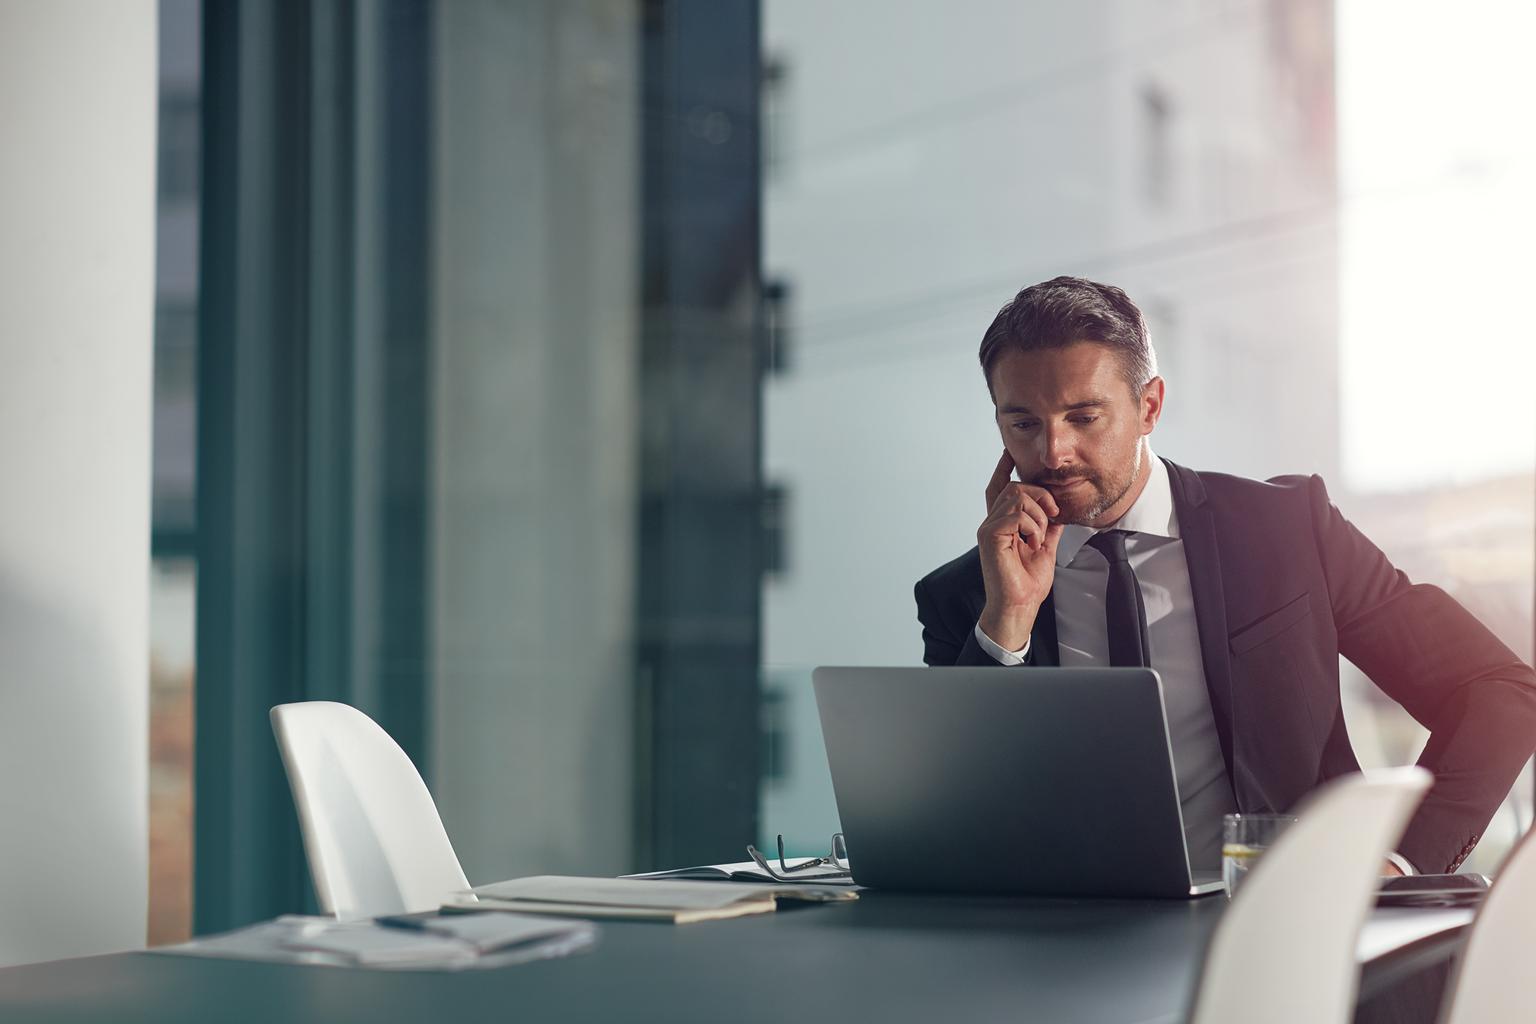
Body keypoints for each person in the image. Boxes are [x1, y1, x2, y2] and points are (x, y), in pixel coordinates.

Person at [914, 275, 1536, 876]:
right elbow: (953, 820)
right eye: (1024, 424)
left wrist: (1401, 862)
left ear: (1149, 406)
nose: (1053, 453)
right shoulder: (965, 597)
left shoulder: (1289, 530)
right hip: (1066, 953)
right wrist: (1007, 624)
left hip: (1285, 935)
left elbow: (1498, 691)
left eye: (1083, 417)